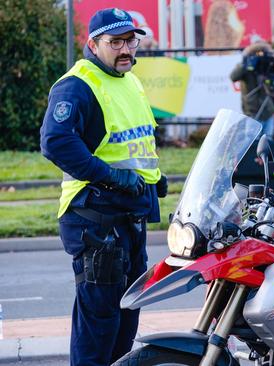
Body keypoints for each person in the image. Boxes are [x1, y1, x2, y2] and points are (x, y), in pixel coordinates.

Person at [40, 8, 167, 366]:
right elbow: (56, 142)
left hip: (128, 214)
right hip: (95, 219)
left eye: (131, 40)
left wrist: (154, 180)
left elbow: (134, 142)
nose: (126, 49)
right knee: (99, 323)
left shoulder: (130, 79)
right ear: (94, 44)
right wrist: (110, 176)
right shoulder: (77, 85)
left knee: (127, 317)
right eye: (116, 42)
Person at [230, 42, 274, 138]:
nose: (259, 57)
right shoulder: (246, 66)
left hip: (268, 111)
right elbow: (233, 77)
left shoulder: (266, 66)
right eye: (257, 53)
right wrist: (246, 62)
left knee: (267, 142)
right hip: (252, 112)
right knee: (252, 141)